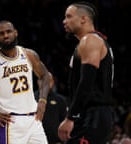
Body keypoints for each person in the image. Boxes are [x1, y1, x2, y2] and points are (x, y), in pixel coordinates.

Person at [58, 1, 115, 144]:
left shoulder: (90, 40)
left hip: (92, 114)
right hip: (94, 114)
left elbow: (86, 83)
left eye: (69, 16)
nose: (64, 21)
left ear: (83, 19)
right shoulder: (94, 40)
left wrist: (71, 117)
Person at [34, 73, 68, 144]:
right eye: (43, 80)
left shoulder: (61, 100)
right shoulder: (31, 98)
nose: (45, 83)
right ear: (38, 82)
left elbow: (64, 121)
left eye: (49, 80)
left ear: (52, 82)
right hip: (35, 140)